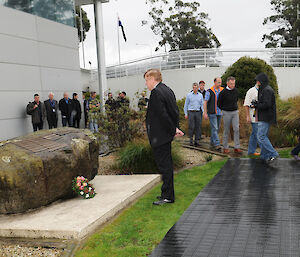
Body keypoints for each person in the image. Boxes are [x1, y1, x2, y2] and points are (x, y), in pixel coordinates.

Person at [144, 69, 184, 206]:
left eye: (146, 80)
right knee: (166, 165)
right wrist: (175, 128)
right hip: (165, 135)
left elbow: (163, 115)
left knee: (165, 166)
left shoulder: (156, 93)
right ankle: (166, 192)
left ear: (151, 79)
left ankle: (167, 196)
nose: (146, 84)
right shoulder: (167, 90)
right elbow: (174, 112)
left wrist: (173, 129)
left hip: (160, 136)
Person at [252, 72, 278, 163]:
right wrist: (257, 104)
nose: (257, 82)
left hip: (266, 117)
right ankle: (264, 155)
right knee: (262, 136)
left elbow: (267, 104)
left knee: (261, 136)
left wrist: (257, 105)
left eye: (258, 80)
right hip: (264, 116)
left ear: (261, 81)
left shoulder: (266, 90)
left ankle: (273, 153)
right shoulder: (264, 89)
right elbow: (264, 103)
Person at [217, 77, 242, 154]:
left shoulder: (236, 91)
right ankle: (225, 147)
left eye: (234, 83)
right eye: (231, 83)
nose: (233, 85)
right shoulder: (223, 92)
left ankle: (237, 147)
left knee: (236, 129)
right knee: (226, 130)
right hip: (226, 112)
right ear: (227, 83)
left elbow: (236, 100)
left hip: (235, 112)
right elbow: (219, 103)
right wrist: (224, 109)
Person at [203, 77, 224, 151]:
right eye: (218, 82)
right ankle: (217, 144)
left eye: (220, 82)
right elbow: (205, 102)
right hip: (212, 112)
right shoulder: (209, 91)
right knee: (215, 128)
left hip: (220, 112)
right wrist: (205, 113)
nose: (220, 84)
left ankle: (212, 142)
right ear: (214, 82)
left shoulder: (222, 90)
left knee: (216, 129)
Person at [244, 83, 260, 156]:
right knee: (257, 133)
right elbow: (246, 104)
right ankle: (264, 150)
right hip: (253, 116)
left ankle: (251, 151)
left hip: (261, 116)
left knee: (254, 134)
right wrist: (247, 116)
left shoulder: (263, 90)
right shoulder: (251, 91)